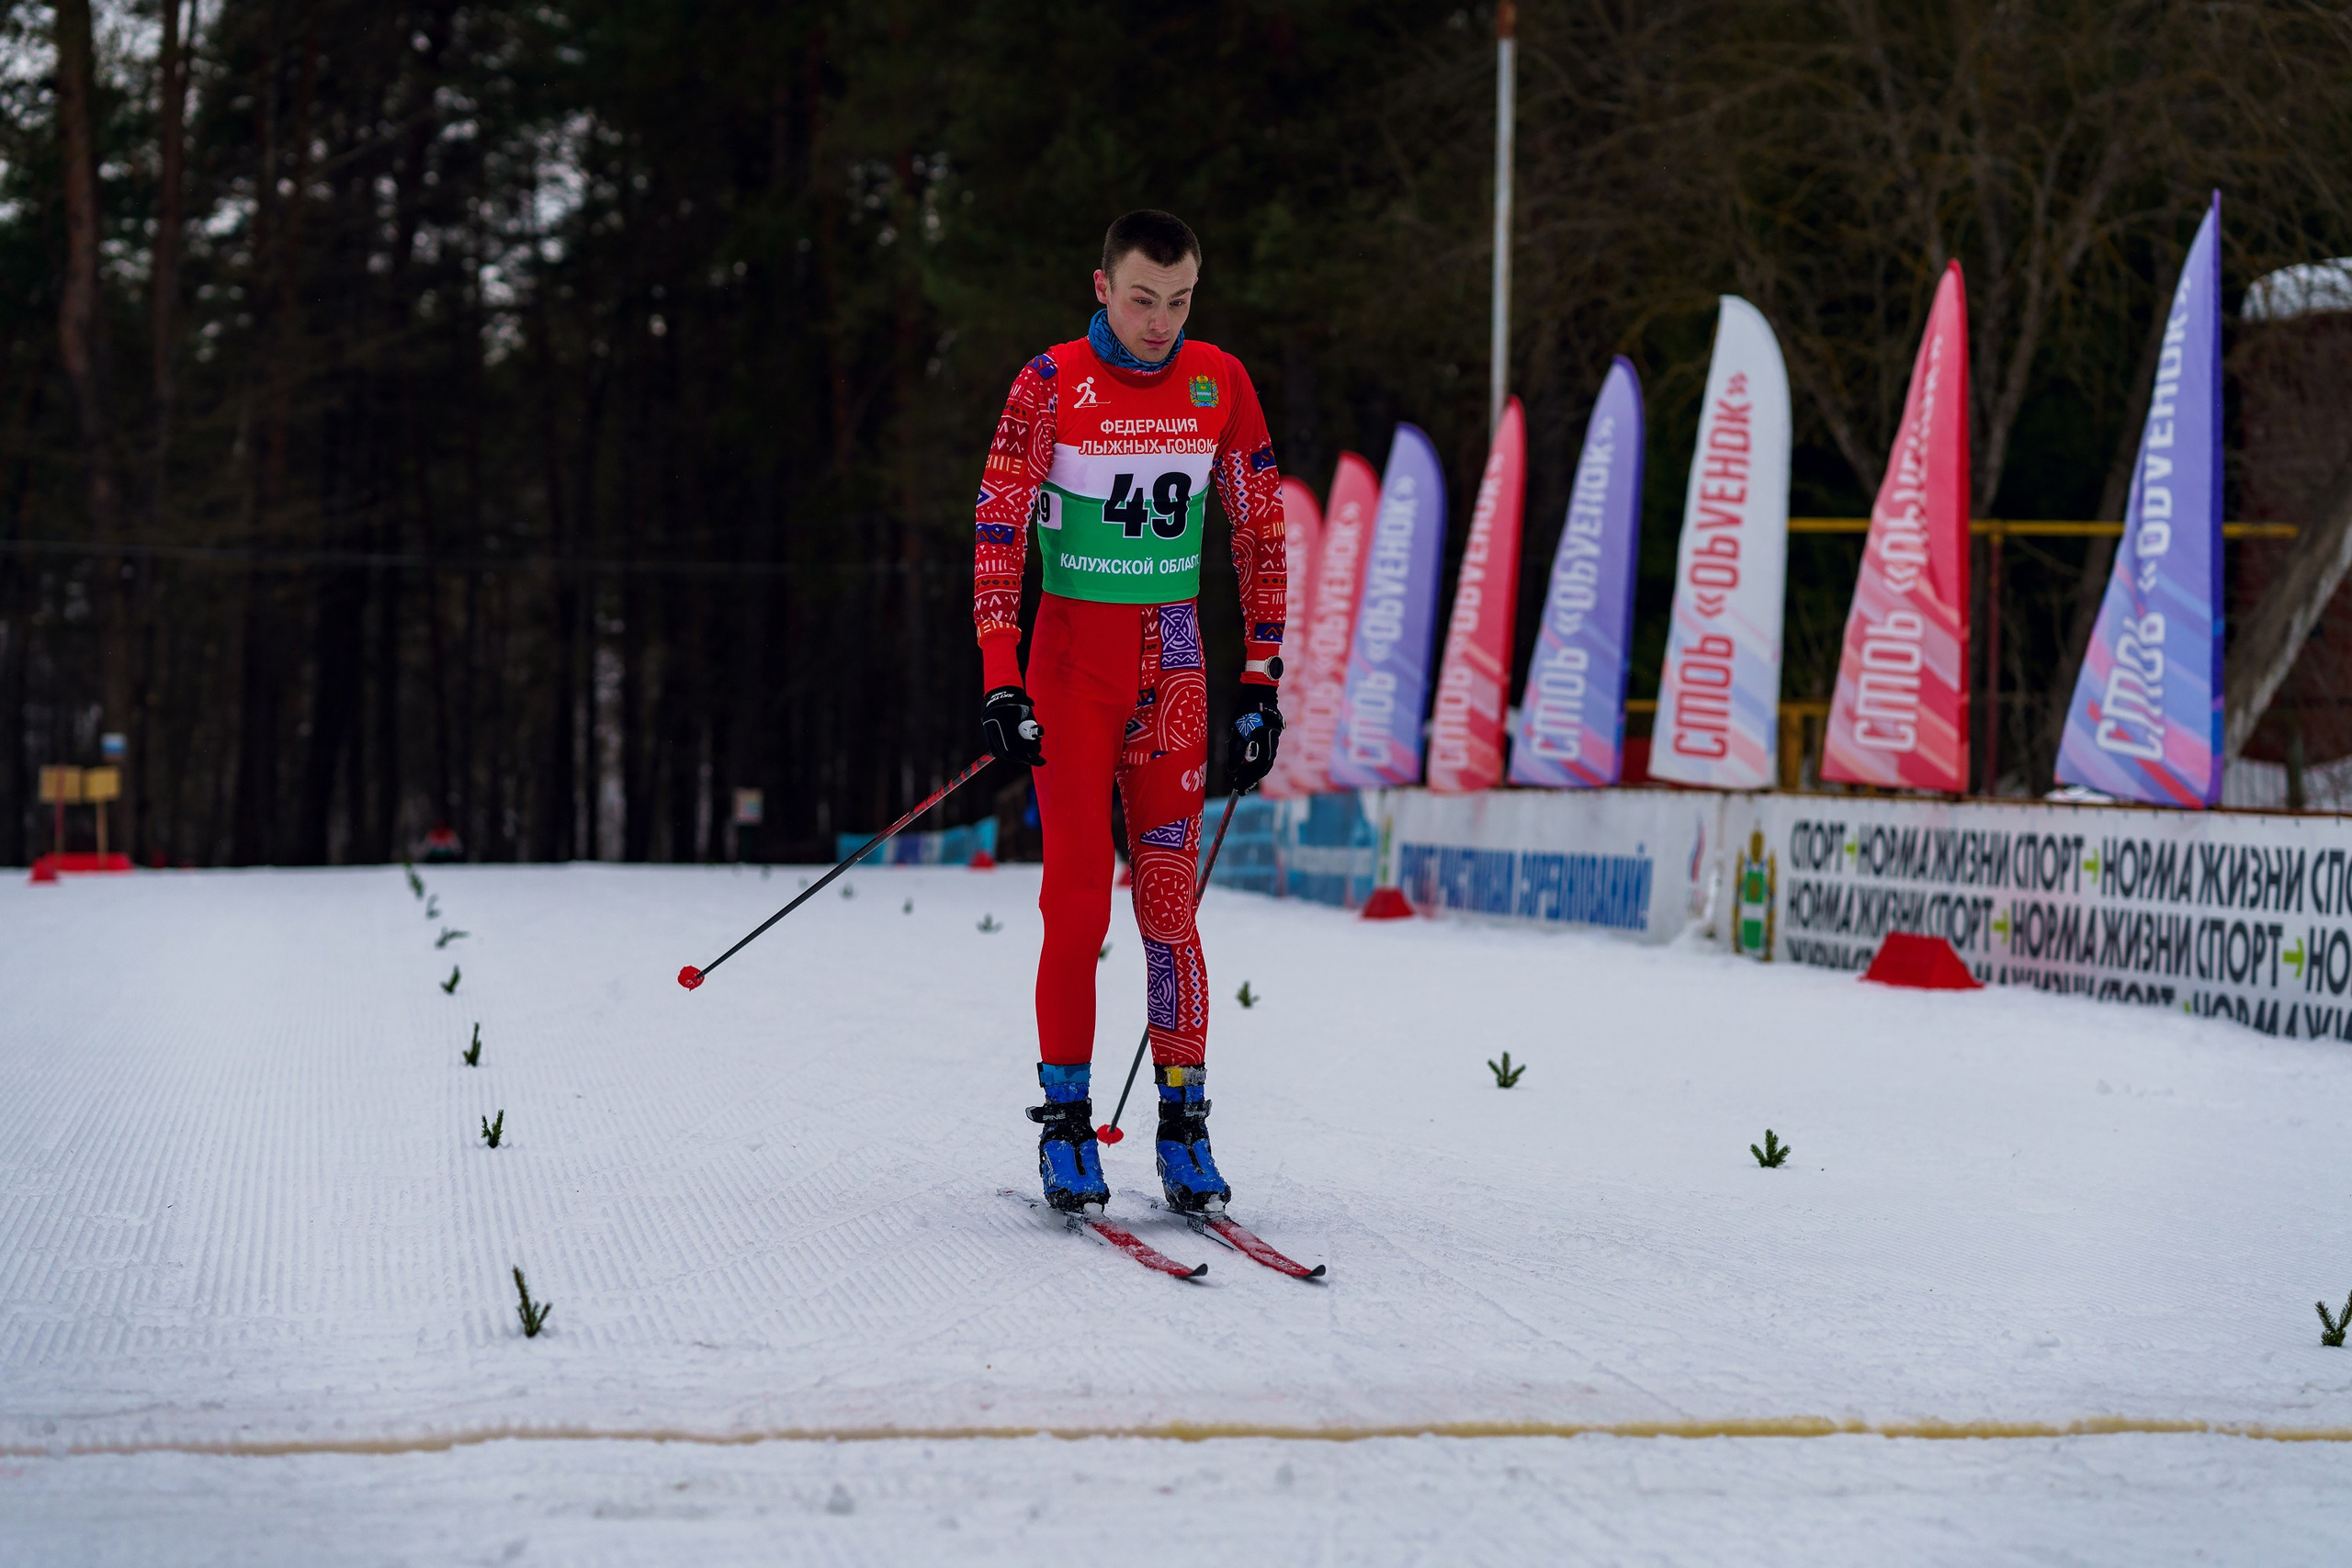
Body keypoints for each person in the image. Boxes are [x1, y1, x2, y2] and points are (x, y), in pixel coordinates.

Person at [971, 209, 1287, 1216]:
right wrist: (999, 676)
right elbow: (998, 529)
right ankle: (1067, 1128)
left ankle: (1184, 1125)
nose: (1161, 321)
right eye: (1144, 298)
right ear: (1102, 287)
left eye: (1181, 300)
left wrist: (1263, 681)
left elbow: (1260, 533)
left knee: (1168, 906)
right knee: (1074, 900)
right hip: (1070, 671)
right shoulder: (1049, 382)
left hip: (1178, 672)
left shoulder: (1220, 382)